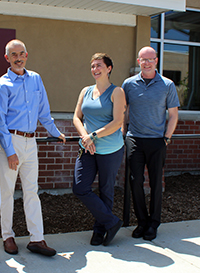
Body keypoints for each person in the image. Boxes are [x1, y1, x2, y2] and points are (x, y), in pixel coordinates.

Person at [0, 39, 66, 257]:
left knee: (32, 191)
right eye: (13, 54)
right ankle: (7, 236)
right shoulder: (2, 85)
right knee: (6, 193)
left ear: (27, 55)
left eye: (21, 53)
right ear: (6, 58)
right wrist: (9, 151)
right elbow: (0, 121)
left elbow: (44, 111)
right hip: (10, 142)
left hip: (31, 142)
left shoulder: (35, 79)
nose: (18, 58)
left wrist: (55, 132)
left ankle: (37, 239)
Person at [122, 46, 180, 241]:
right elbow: (124, 111)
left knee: (156, 184)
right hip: (135, 140)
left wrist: (166, 137)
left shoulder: (167, 85)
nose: (146, 62)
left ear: (156, 60)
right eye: (143, 59)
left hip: (157, 141)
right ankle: (142, 222)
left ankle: (154, 223)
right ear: (138, 61)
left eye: (150, 59)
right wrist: (124, 134)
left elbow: (173, 115)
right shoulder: (129, 84)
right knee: (135, 181)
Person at [72, 53, 126, 246]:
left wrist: (93, 136)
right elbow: (76, 117)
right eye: (92, 66)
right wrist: (86, 138)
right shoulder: (85, 91)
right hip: (87, 148)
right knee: (80, 187)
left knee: (106, 190)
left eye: (99, 65)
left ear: (109, 68)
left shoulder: (116, 92)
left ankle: (100, 230)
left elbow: (118, 121)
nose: (95, 69)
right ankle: (111, 222)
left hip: (110, 149)